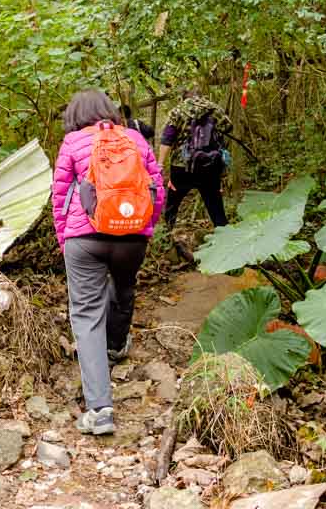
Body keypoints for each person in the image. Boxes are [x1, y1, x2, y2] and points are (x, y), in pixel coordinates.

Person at [52, 89, 165, 435]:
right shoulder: (134, 139)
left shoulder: (72, 143)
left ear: (74, 116)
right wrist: (145, 228)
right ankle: (115, 346)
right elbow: (157, 189)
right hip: (132, 236)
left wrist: (65, 239)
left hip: (84, 238)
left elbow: (60, 197)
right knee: (124, 287)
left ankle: (100, 410)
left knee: (87, 315)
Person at [158, 90, 232, 232]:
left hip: (182, 166)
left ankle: (167, 233)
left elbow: (167, 139)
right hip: (210, 165)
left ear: (183, 98)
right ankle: (225, 236)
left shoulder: (178, 111)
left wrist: (160, 163)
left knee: (173, 203)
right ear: (201, 96)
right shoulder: (214, 109)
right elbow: (228, 127)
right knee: (216, 206)